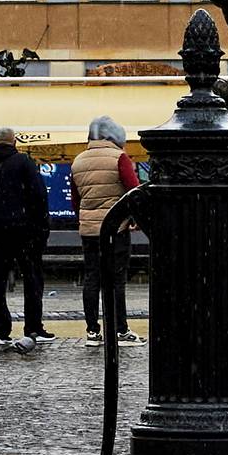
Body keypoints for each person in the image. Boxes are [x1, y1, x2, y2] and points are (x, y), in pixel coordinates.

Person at [0, 128, 54, 348]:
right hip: (24, 232)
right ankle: (33, 327)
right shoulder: (23, 163)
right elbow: (38, 196)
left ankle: (0, 330)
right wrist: (42, 227)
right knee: (32, 279)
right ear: (13, 141)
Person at [71, 117, 138, 337]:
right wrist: (133, 218)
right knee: (116, 280)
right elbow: (134, 192)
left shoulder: (78, 161)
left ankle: (92, 329)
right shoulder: (119, 158)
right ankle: (120, 329)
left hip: (89, 231)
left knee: (92, 278)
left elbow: (76, 201)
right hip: (115, 229)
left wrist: (87, 219)